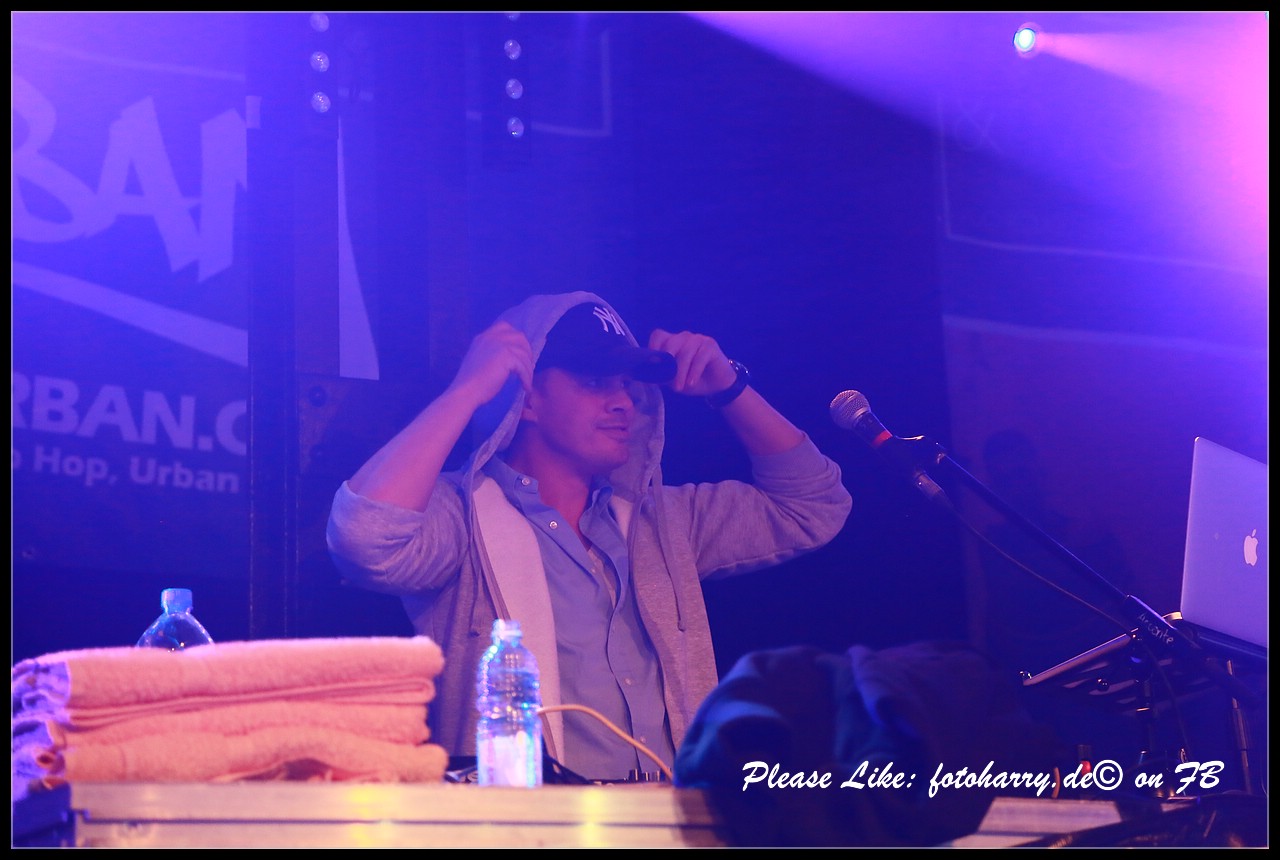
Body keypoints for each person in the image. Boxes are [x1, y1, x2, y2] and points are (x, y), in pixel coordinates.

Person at [326, 291, 852, 782]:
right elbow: (365, 537)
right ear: (527, 399)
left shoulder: (661, 520)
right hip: (529, 830)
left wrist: (729, 389)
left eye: (627, 384)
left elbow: (813, 505)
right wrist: (466, 392)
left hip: (671, 823)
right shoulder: (462, 516)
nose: (623, 402)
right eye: (597, 382)